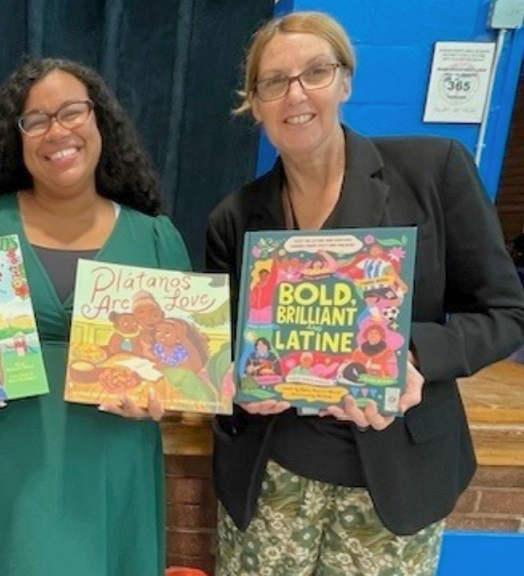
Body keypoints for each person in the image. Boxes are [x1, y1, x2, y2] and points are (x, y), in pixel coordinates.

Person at [205, 11, 524, 576]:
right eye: (273, 82)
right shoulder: (234, 218)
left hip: (394, 484)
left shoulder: (434, 171)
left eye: (315, 72)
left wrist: (415, 354)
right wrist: (235, 385)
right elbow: (230, 352)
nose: (295, 94)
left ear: (345, 81)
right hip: (275, 480)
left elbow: (506, 312)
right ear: (254, 103)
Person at [0, 57, 191, 576]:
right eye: (36, 120)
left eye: (72, 112)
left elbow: (185, 375)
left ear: (100, 121)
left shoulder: (156, 238)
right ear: (18, 136)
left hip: (107, 470)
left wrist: (166, 399)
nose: (57, 131)